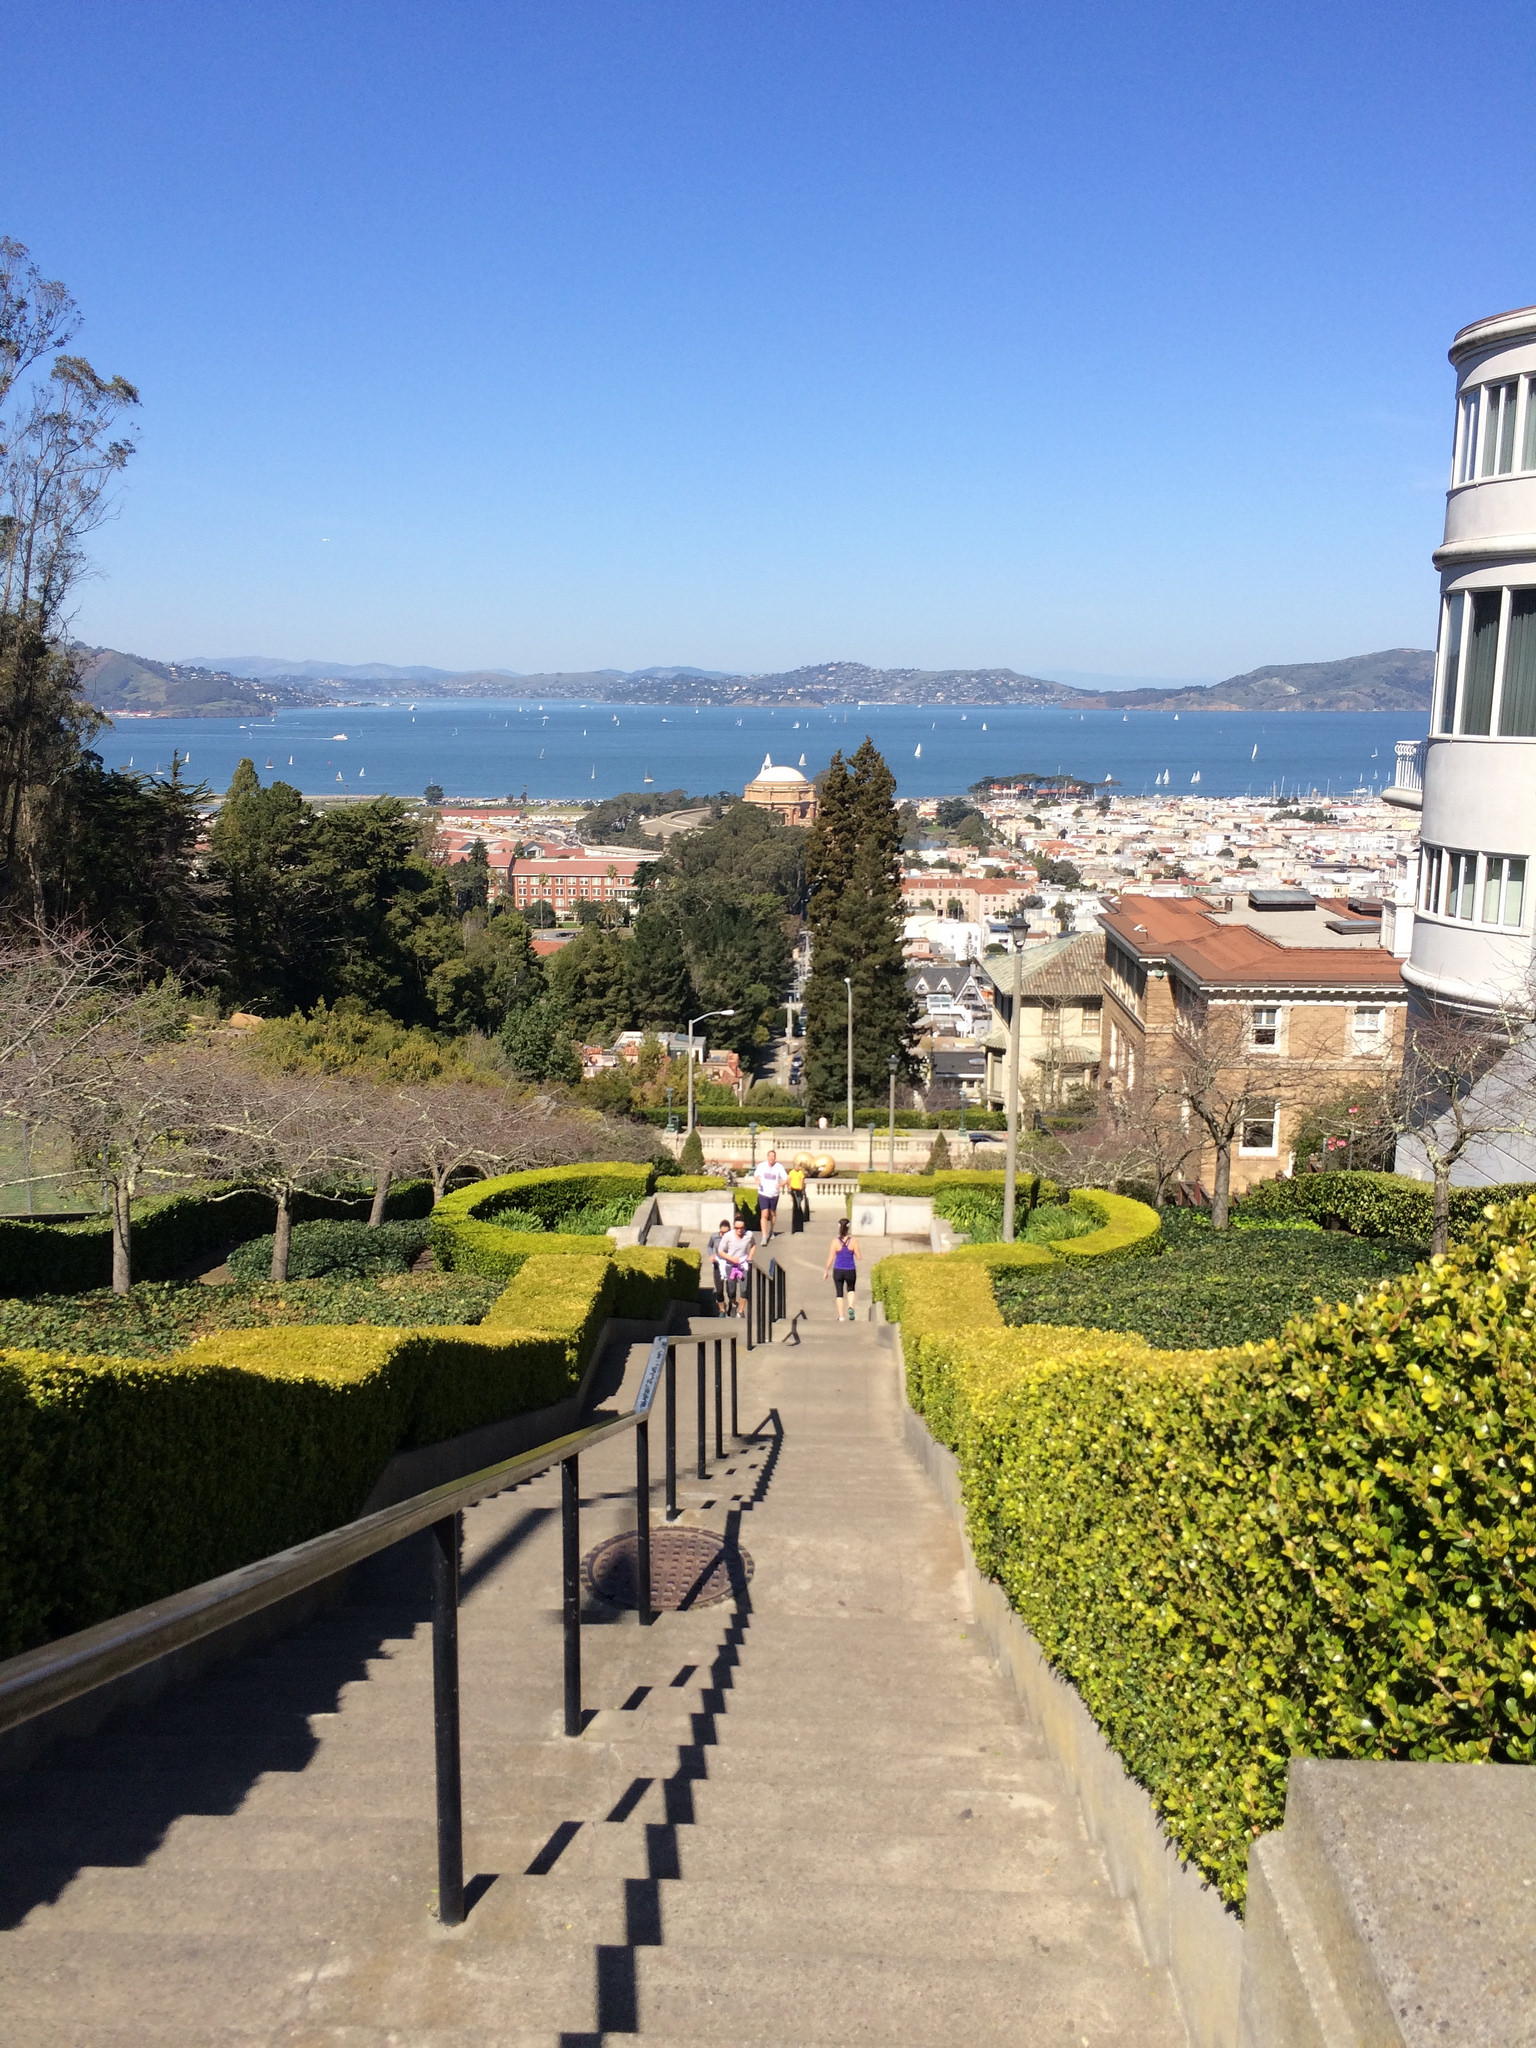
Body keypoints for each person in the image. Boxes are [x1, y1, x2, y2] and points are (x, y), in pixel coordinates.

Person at [823, 1217, 862, 1322]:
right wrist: (853, 1251)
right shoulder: (853, 1241)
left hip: (838, 1270)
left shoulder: (835, 1242)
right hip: (850, 1269)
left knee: (839, 1293)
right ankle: (851, 1307)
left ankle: (841, 1317)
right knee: (851, 1290)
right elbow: (859, 1257)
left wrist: (826, 1270)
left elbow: (831, 1257)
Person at [717, 1214, 755, 1318]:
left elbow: (753, 1245)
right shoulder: (728, 1236)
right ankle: (732, 1302)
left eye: (741, 1228)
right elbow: (720, 1251)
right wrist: (731, 1259)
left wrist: (750, 1256)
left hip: (743, 1264)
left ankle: (741, 1311)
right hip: (730, 1264)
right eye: (737, 1228)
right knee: (731, 1290)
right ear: (734, 1227)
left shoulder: (749, 1235)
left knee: (744, 1289)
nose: (739, 1230)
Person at [752, 1148, 790, 1241]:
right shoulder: (762, 1166)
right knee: (764, 1214)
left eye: (773, 1157)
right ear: (767, 1157)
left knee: (772, 1213)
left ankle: (771, 1230)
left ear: (775, 1158)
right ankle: (764, 1236)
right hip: (763, 1193)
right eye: (770, 1156)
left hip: (774, 1194)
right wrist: (757, 1180)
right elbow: (756, 1175)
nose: (771, 1158)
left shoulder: (779, 1167)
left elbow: (786, 1179)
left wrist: (780, 1184)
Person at [705, 1214, 735, 1313]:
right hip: (718, 1264)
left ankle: (732, 1302)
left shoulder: (733, 1237)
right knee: (719, 1289)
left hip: (729, 1264)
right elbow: (709, 1246)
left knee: (731, 1289)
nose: (723, 1235)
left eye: (725, 1232)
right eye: (721, 1232)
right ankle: (722, 1309)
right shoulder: (714, 1236)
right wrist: (711, 1255)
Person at [787, 1157, 809, 1234]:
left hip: (799, 1190)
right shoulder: (791, 1172)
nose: (797, 1168)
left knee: (799, 1204)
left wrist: (801, 1187)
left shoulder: (800, 1173)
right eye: (796, 1166)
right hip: (793, 1189)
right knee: (795, 1204)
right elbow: (789, 1180)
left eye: (798, 1166)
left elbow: (802, 1180)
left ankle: (800, 1222)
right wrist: (789, 1187)